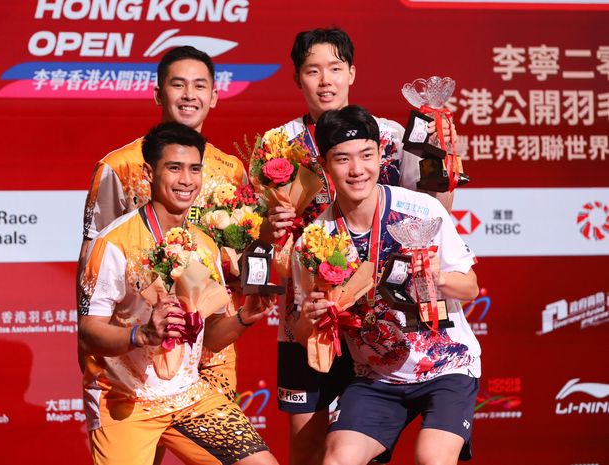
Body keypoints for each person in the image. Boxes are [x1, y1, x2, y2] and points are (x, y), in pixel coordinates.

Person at [261, 27, 456, 465]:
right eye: (313, 70)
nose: (325, 80)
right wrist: (269, 229)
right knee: (309, 444)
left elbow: (433, 208)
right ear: (297, 78)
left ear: (352, 72)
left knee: (361, 450)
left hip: (379, 319)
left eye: (335, 68)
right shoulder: (277, 146)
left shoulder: (387, 136)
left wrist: (439, 152)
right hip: (308, 317)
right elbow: (262, 237)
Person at [78, 122, 278, 465]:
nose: (186, 180)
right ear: (148, 172)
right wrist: (142, 334)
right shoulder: (113, 243)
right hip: (125, 400)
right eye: (174, 167)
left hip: (189, 395)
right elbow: (88, 333)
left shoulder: (205, 245)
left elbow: (211, 336)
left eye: (194, 168)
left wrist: (243, 318)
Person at [299, 105, 480, 465]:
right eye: (343, 159)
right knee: (337, 459)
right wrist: (316, 316)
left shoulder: (422, 210)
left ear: (381, 155)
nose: (357, 170)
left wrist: (436, 277)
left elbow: (470, 287)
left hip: (447, 364)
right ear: (325, 163)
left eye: (366, 156)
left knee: (432, 457)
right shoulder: (315, 239)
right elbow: (306, 329)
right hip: (377, 377)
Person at [79, 46, 247, 403]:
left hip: (211, 347)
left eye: (200, 86)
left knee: (221, 452)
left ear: (214, 96)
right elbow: (92, 261)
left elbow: (241, 257)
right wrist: (95, 345)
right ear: (158, 93)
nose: (189, 96)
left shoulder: (232, 169)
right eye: (178, 85)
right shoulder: (120, 166)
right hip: (141, 352)